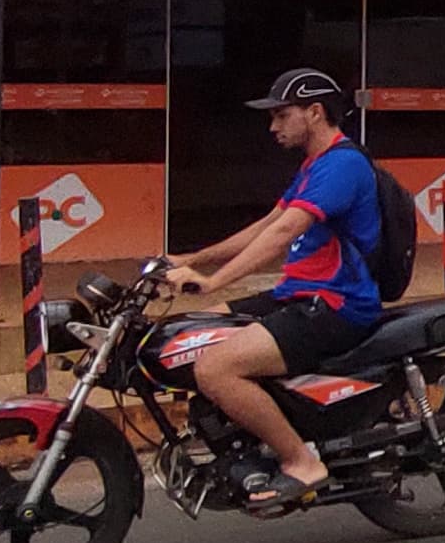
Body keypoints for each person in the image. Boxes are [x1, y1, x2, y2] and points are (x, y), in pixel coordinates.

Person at [160, 68, 384, 507]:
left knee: (214, 367)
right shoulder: (315, 165)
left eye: (282, 115)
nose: (273, 126)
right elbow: (267, 224)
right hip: (298, 294)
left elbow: (283, 235)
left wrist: (213, 282)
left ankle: (301, 462)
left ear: (314, 113)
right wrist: (191, 259)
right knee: (192, 331)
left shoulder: (343, 164)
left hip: (335, 304)